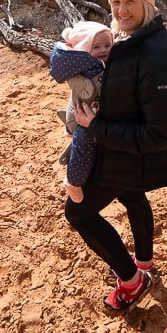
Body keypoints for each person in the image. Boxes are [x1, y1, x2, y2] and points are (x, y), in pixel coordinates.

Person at [65, 0, 167, 314]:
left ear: (147, 3)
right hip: (128, 150)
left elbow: (159, 134)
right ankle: (145, 264)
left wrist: (96, 128)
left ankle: (132, 281)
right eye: (115, 2)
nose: (121, 10)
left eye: (130, 1)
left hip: (140, 156)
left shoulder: (157, 55)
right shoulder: (129, 37)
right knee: (132, 197)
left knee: (78, 213)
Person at [49, 21, 114, 203]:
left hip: (85, 111)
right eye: (96, 46)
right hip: (87, 118)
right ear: (85, 49)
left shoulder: (87, 64)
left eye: (107, 45)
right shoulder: (91, 66)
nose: (103, 50)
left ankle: (70, 126)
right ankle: (73, 181)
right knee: (84, 143)